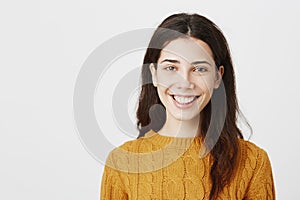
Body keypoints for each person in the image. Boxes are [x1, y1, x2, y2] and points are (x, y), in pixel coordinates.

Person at [100, 13, 275, 200]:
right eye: (171, 68)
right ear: (154, 74)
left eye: (199, 69)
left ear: (217, 77)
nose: (185, 83)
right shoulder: (121, 162)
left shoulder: (253, 162)